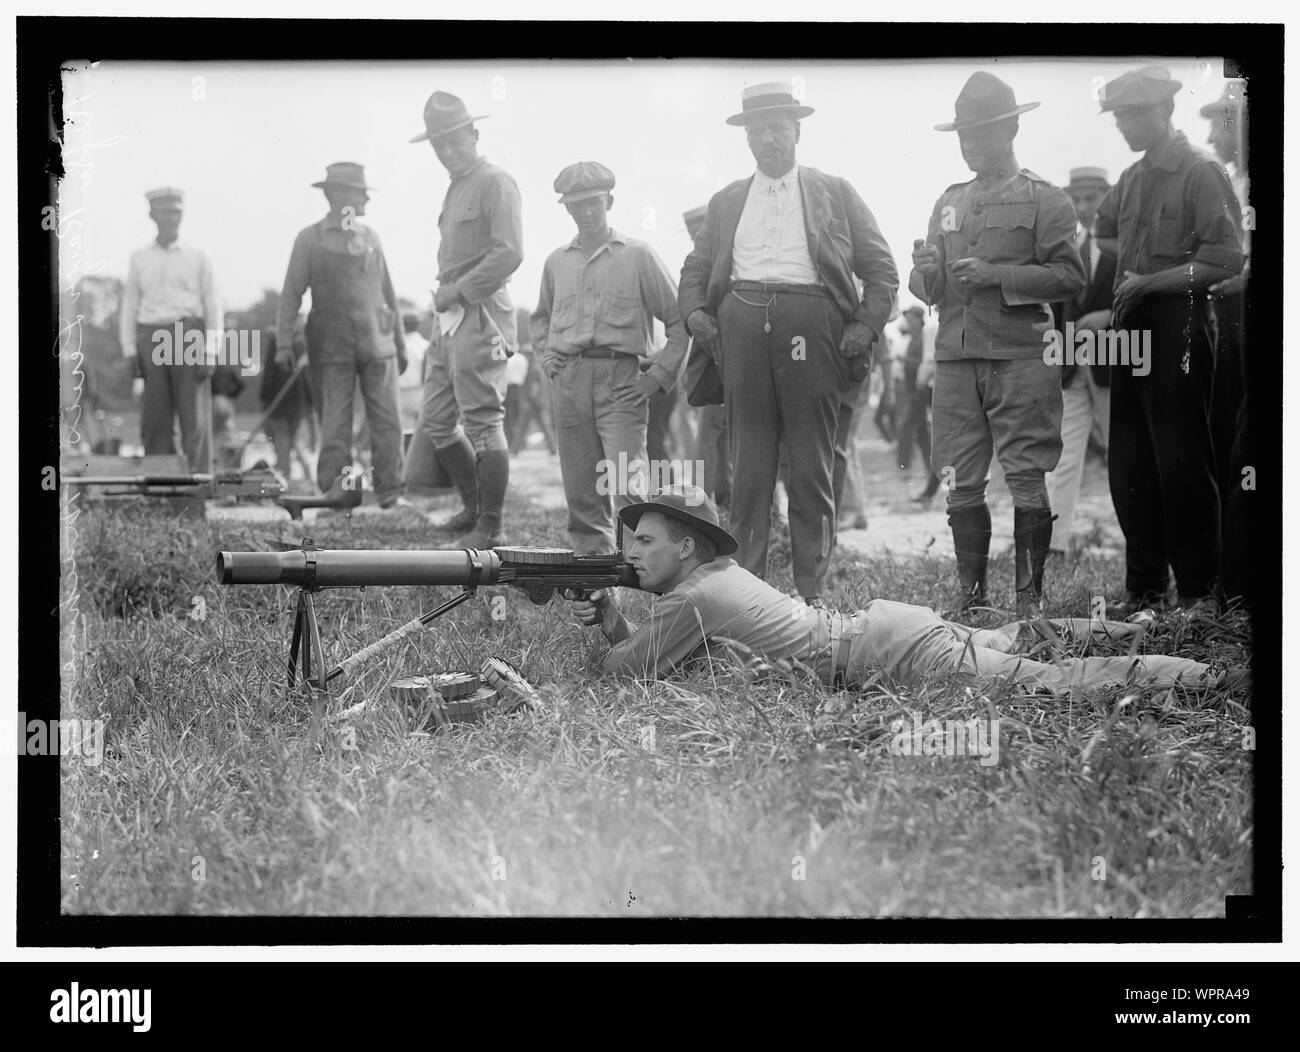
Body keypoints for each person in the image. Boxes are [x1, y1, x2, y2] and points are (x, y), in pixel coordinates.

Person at [566, 484, 1240, 694]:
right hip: (887, 629)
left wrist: (610, 620)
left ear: (687, 546)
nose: (633, 553)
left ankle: (1200, 677)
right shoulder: (715, 577)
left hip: (892, 655)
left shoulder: (696, 597)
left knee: (1045, 681)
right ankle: (1145, 626)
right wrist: (615, 609)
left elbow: (627, 673)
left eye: (646, 541)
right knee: (1020, 637)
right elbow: (655, 652)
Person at [680, 81, 898, 604]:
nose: (766, 139)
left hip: (812, 327)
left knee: (810, 465)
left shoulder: (835, 192)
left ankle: (811, 595)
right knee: (748, 468)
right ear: (747, 139)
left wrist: (864, 325)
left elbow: (881, 268)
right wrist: (694, 315)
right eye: (756, 131)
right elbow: (696, 268)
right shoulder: (728, 199)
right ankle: (747, 593)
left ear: (797, 130)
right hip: (742, 328)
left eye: (777, 128)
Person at [909, 71, 1085, 616]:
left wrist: (997, 275)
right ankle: (971, 599)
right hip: (958, 359)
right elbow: (927, 290)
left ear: (1011, 128)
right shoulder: (948, 200)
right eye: (963, 134)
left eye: (981, 132)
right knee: (960, 481)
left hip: (1021, 357)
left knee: (1027, 477)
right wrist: (925, 271)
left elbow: (1069, 277)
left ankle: (1029, 603)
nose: (970, 144)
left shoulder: (1046, 199)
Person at [1095, 67, 1245, 617]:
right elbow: (1102, 227)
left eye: (1135, 115)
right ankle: (1144, 587)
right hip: (1128, 324)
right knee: (1129, 463)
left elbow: (1226, 260)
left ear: (1165, 112)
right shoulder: (1132, 178)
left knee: (1182, 461)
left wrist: (1149, 279)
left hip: (1177, 324)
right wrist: (1131, 272)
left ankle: (1200, 591)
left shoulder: (1201, 172)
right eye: (1119, 118)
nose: (1125, 126)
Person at [532, 162, 688, 555]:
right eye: (576, 204)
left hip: (622, 380)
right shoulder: (556, 261)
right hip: (569, 380)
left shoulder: (638, 255)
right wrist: (547, 357)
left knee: (626, 483)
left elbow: (680, 320)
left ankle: (639, 569)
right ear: (566, 208)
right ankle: (595, 574)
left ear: (610, 201)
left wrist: (659, 375)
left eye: (594, 202)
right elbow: (540, 319)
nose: (585, 211)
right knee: (581, 486)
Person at [408, 91, 524, 548]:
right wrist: (447, 295)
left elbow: (510, 252)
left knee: (482, 421)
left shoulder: (496, 181)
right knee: (437, 420)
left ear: (474, 134)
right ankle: (474, 507)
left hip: (481, 312)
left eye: (456, 141)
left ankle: (491, 525)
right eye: (440, 145)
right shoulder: (457, 185)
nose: (449, 151)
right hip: (448, 316)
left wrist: (459, 291)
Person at [276, 162, 409, 509]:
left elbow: (387, 292)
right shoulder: (310, 238)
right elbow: (291, 294)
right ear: (336, 196)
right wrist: (283, 342)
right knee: (336, 426)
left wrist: (400, 341)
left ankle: (390, 493)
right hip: (331, 347)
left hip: (377, 345)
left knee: (388, 422)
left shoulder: (371, 238)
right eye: (357, 192)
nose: (365, 198)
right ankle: (340, 495)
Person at [118, 187, 222, 471]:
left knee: (193, 417)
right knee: (156, 417)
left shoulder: (198, 256)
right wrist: (129, 349)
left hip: (188, 335)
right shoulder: (139, 258)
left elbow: (213, 306)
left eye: (177, 211)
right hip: (151, 337)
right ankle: (161, 482)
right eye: (165, 211)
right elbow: (129, 307)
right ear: (152, 215)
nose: (172, 218)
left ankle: (197, 484)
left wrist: (211, 351)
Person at [1045, 167, 1116, 554]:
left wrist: (1109, 318)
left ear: (1107, 198)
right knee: (1065, 456)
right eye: (1077, 199)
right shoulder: (1065, 248)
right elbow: (1056, 312)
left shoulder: (1121, 244)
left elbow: (1137, 297)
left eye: (1092, 198)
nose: (1084, 207)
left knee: (1120, 455)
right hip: (1071, 365)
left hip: (1115, 359)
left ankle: (1136, 542)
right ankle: (1055, 543)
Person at [1200, 80, 1250, 605]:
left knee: (1247, 453)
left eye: (1222, 122)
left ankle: (1240, 592)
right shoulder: (1233, 182)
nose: (1212, 136)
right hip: (1232, 319)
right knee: (1228, 447)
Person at [893, 304, 942, 505]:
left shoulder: (928, 333)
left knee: (910, 428)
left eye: (912, 318)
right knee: (923, 433)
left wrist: (909, 364)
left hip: (923, 390)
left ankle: (908, 468)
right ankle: (929, 479)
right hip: (918, 391)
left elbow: (927, 362)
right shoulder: (915, 336)